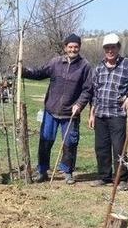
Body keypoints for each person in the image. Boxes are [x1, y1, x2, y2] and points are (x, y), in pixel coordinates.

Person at [22, 33, 93, 184]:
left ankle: (67, 172)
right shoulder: (55, 62)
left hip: (70, 113)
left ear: (79, 47)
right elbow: (39, 73)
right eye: (70, 46)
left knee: (70, 143)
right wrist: (23, 71)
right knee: (45, 140)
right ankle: (42, 171)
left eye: (76, 47)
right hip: (51, 111)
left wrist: (79, 105)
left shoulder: (84, 66)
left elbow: (88, 89)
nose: (73, 49)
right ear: (65, 47)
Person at [88, 33, 128, 190]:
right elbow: (95, 92)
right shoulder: (99, 68)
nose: (110, 50)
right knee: (101, 147)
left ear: (118, 48)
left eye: (113, 47)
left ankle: (122, 179)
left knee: (119, 148)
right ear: (104, 49)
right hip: (101, 114)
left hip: (118, 114)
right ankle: (104, 176)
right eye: (107, 48)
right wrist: (92, 113)